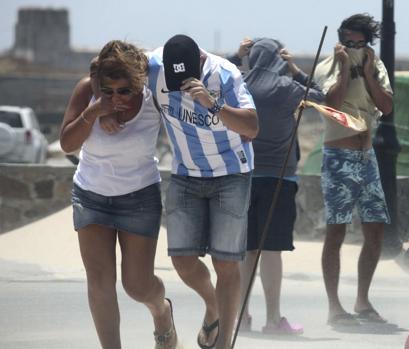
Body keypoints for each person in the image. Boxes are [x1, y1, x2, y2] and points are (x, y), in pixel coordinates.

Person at [59, 40, 177, 349]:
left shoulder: (154, 97)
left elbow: (187, 128)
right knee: (99, 283)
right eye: (107, 90)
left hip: (139, 198)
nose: (116, 97)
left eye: (124, 91)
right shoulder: (88, 91)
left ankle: (162, 311)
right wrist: (95, 111)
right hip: (91, 197)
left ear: (139, 84)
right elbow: (68, 145)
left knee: (138, 286)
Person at [147, 34, 258, 349]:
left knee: (225, 263)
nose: (182, 85)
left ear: (200, 60)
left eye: (187, 78)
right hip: (185, 173)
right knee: (181, 260)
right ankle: (213, 305)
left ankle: (224, 343)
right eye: (175, 78)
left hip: (231, 174)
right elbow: (109, 64)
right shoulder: (153, 64)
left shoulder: (225, 74)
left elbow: (252, 127)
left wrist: (213, 103)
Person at [229, 38, 324, 335]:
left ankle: (241, 318)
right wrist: (295, 69)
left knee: (246, 251)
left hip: (243, 176)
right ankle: (273, 320)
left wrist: (235, 56)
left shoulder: (238, 83)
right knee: (271, 252)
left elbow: (211, 81)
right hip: (278, 179)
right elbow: (323, 97)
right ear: (278, 59)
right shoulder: (286, 88)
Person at [314, 13, 394, 326]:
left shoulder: (376, 66)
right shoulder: (327, 66)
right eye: (349, 42)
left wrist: (371, 74)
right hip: (338, 156)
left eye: (360, 44)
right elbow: (332, 106)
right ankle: (335, 306)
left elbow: (386, 107)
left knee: (375, 229)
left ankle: (362, 300)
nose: (354, 47)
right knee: (336, 231)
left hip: (367, 155)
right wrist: (345, 66)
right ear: (341, 40)